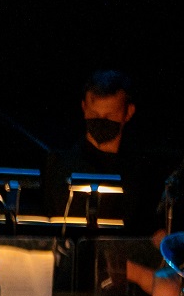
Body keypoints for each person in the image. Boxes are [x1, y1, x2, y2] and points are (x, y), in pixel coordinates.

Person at [47, 70, 160, 240]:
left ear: (128, 112)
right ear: (84, 107)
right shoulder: (61, 165)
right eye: (95, 115)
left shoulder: (142, 170)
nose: (101, 121)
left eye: (110, 115)